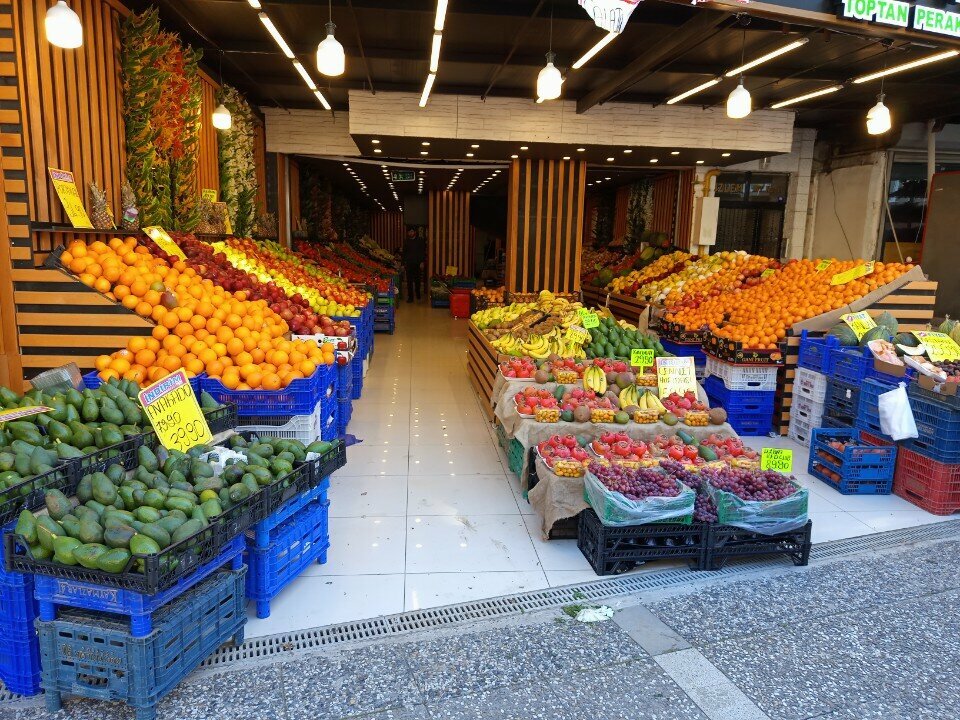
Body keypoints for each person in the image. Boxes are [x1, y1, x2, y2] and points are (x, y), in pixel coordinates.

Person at [401, 227, 426, 302]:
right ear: (408, 233)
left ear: (415, 232)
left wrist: (422, 262)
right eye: (409, 232)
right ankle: (410, 297)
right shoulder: (406, 241)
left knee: (417, 280)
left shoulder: (420, 240)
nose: (411, 233)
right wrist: (402, 264)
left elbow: (422, 252)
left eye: (412, 231)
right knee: (409, 281)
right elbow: (404, 253)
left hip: (418, 263)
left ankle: (418, 294)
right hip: (409, 263)